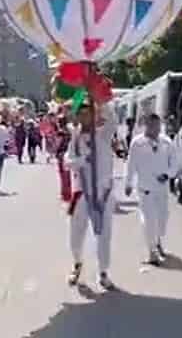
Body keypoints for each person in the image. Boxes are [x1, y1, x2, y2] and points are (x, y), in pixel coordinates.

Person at [65, 101, 119, 290]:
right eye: (82, 114)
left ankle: (103, 273)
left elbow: (112, 119)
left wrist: (99, 97)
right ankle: (77, 263)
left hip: (103, 193)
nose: (85, 117)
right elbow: (67, 162)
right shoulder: (75, 137)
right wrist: (81, 160)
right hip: (82, 193)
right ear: (78, 117)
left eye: (89, 113)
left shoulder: (104, 134)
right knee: (75, 235)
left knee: (104, 235)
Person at [124, 113, 180, 265]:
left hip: (162, 188)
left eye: (157, 125)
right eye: (151, 125)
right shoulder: (137, 142)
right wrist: (128, 183)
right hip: (145, 188)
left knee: (162, 220)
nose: (154, 128)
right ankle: (152, 252)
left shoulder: (167, 142)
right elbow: (131, 164)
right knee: (149, 221)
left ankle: (157, 240)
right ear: (146, 125)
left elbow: (174, 164)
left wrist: (168, 175)